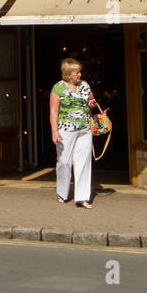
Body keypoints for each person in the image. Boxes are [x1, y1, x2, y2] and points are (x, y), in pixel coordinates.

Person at [50, 57, 99, 209]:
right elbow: (54, 110)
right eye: (77, 72)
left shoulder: (84, 86)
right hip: (66, 129)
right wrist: (54, 131)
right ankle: (62, 193)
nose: (80, 75)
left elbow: (91, 100)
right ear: (68, 73)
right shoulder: (58, 88)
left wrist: (91, 103)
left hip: (84, 129)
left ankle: (82, 197)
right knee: (64, 161)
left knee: (83, 161)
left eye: (79, 72)